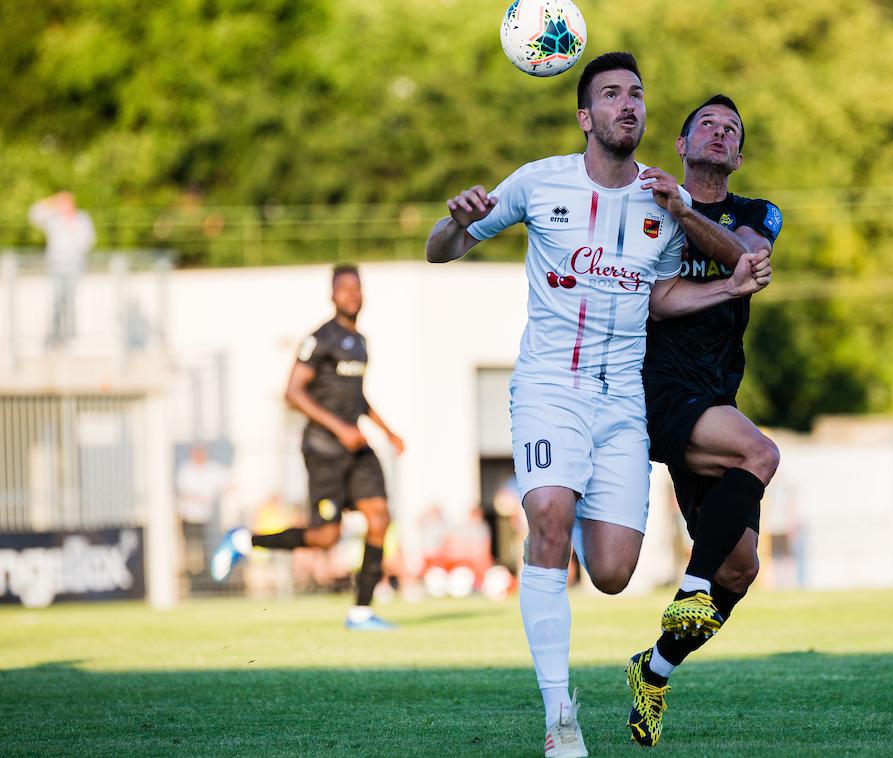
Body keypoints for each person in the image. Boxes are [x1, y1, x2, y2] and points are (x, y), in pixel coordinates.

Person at [424, 53, 770, 758]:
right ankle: (561, 722)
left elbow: (662, 296)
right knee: (546, 518)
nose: (627, 104)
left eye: (637, 94)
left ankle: (580, 534)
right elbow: (440, 250)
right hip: (551, 386)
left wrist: (723, 288)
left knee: (613, 573)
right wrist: (453, 222)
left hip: (623, 403)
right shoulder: (537, 181)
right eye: (610, 94)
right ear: (586, 117)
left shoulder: (659, 202)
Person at [625, 95, 784, 747]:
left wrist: (684, 211)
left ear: (739, 156)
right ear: (682, 146)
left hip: (717, 396)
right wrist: (671, 211)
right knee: (762, 455)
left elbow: (745, 262)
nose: (720, 133)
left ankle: (653, 671)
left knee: (741, 569)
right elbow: (655, 304)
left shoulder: (755, 214)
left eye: (732, 130)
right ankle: (690, 585)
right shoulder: (644, 207)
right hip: (661, 389)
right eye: (707, 126)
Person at [210, 264, 406, 630]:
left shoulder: (361, 342)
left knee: (379, 518)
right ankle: (244, 540)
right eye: (344, 288)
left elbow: (357, 397)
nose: (352, 294)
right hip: (324, 451)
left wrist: (388, 431)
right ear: (332, 295)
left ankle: (361, 613)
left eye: (357, 288)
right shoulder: (319, 339)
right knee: (325, 537)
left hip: (358, 449)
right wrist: (339, 429)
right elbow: (293, 391)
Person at [29, 192, 95, 348]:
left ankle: (70, 338)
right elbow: (34, 214)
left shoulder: (81, 219)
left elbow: (87, 241)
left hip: (74, 267)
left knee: (70, 302)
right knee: (56, 302)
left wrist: (71, 225)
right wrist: (52, 201)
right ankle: (54, 336)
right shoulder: (54, 218)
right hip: (55, 267)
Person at [175, 443, 231, 590]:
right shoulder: (186, 470)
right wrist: (200, 498)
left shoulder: (212, 469)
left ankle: (207, 583)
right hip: (190, 519)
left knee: (206, 549)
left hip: (206, 519)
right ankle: (195, 584)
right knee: (193, 551)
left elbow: (228, 483)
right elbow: (183, 492)